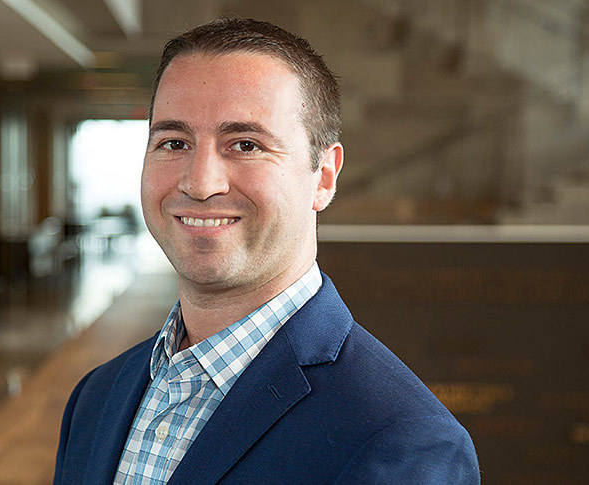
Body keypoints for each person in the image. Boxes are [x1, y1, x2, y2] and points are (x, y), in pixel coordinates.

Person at [53, 18, 480, 484]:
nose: (200, 183)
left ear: (324, 176)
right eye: (174, 142)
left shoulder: (404, 442)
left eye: (245, 144)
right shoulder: (96, 397)